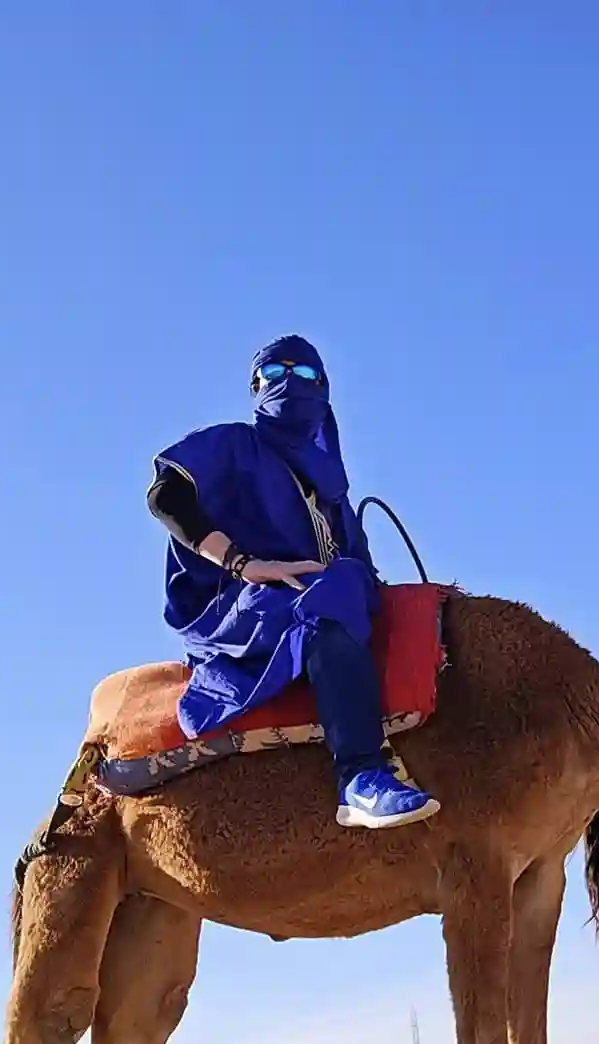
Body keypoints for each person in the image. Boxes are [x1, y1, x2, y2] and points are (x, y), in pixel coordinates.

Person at [145, 334, 437, 829]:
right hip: (242, 601)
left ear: (323, 388)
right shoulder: (234, 445)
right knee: (333, 593)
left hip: (319, 595)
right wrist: (241, 563)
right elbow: (166, 497)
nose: (288, 385)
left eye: (302, 375)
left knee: (369, 593)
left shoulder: (334, 493)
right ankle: (360, 777)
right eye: (273, 376)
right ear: (256, 388)